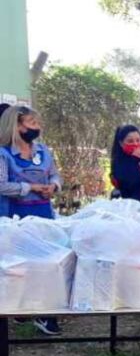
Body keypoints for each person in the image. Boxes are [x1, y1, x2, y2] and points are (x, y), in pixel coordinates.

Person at [0, 105, 64, 335]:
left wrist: (53, 186)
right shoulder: (3, 154)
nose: (37, 127)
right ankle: (20, 309)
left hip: (44, 215)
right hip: (16, 218)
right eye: (32, 123)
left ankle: (45, 313)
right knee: (20, 265)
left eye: (38, 123)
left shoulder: (43, 150)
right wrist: (31, 187)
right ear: (16, 126)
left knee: (47, 263)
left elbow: (56, 174)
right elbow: (2, 185)